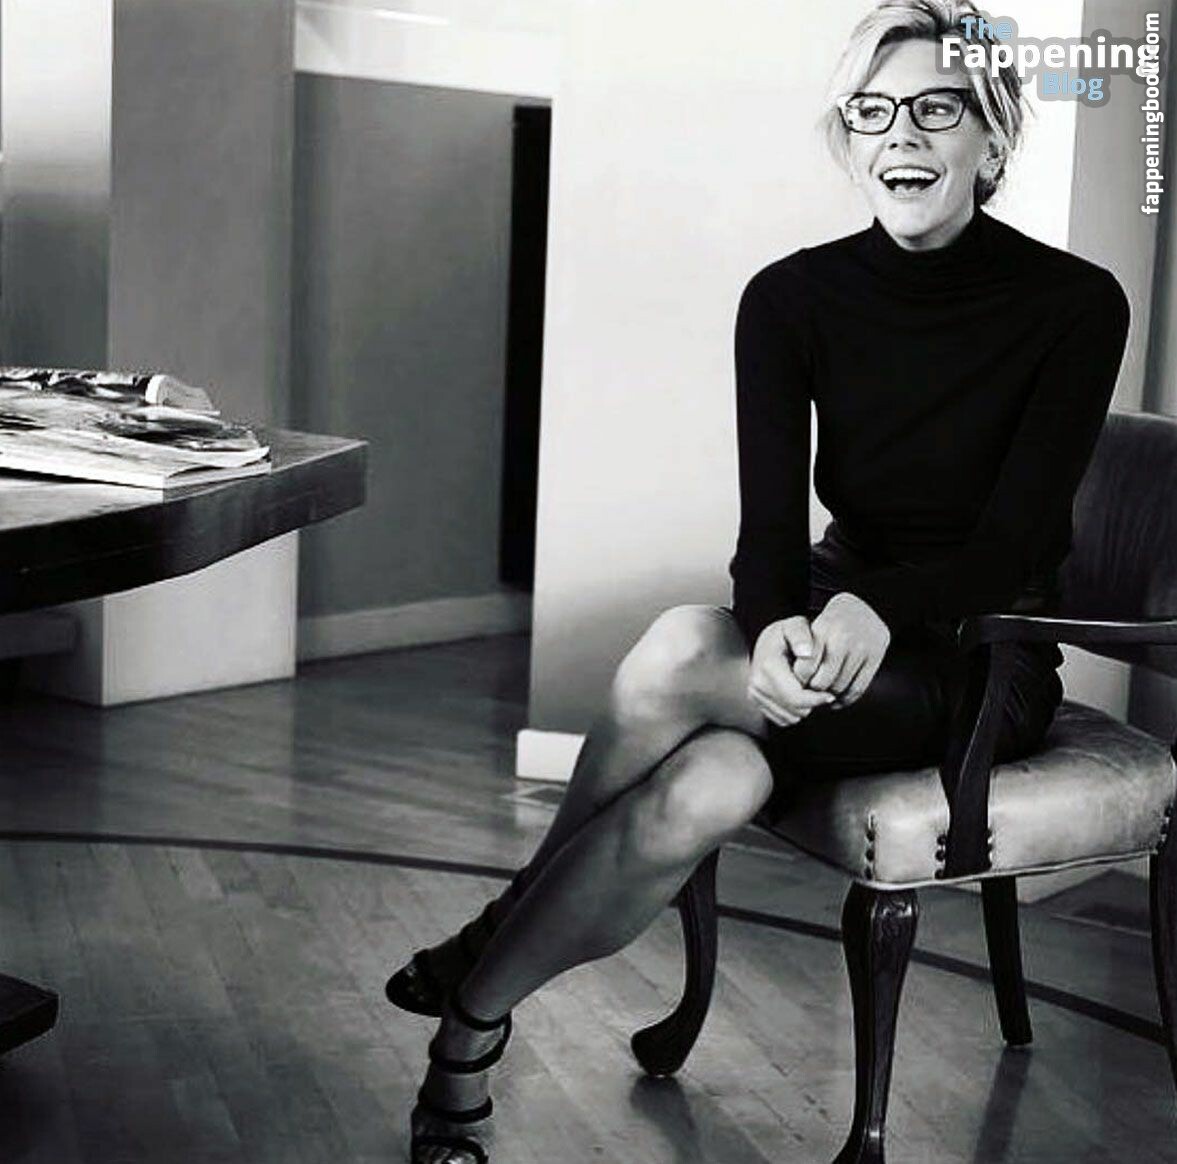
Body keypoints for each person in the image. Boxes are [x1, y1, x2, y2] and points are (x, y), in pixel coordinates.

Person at [392, 2, 1131, 1160]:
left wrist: (879, 607)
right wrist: (779, 623)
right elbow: (770, 533)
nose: (901, 134)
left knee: (684, 652)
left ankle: (496, 929)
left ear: (992, 137)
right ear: (848, 137)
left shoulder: (1074, 304)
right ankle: (467, 1039)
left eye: (937, 109)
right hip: (827, 627)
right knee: (711, 780)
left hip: (977, 657)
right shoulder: (791, 298)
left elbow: (1015, 542)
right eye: (872, 111)